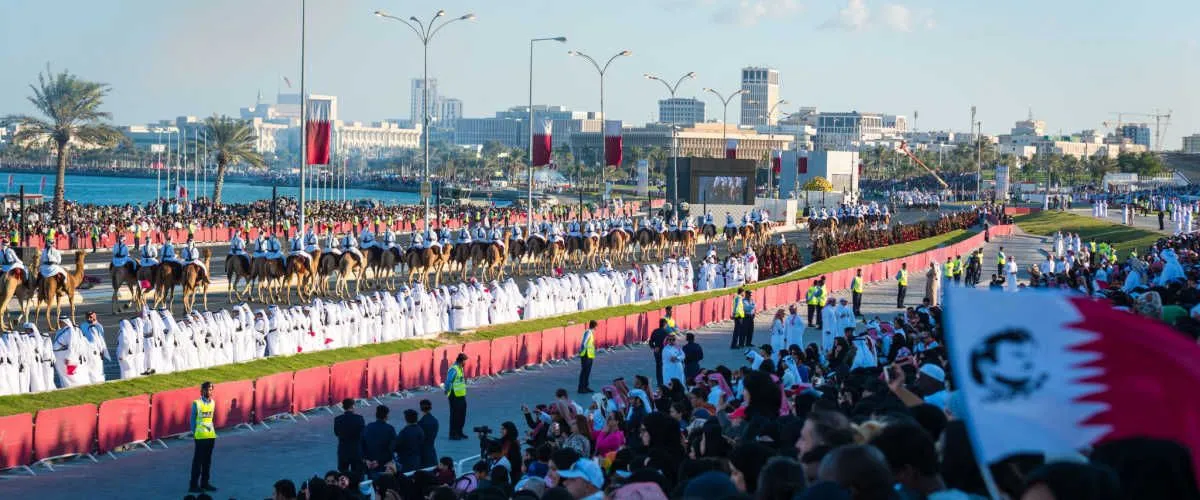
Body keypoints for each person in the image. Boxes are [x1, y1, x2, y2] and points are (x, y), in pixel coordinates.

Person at [189, 381, 218, 493]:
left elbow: (210, 419)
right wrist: (194, 433)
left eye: (211, 389)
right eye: (207, 389)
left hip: (210, 436)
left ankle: (205, 483)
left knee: (207, 461)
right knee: (198, 462)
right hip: (200, 437)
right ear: (202, 391)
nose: (209, 391)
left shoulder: (213, 403)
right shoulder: (196, 403)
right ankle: (193, 485)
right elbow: (192, 420)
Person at [333, 398, 365, 473]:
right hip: (356, 451)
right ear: (353, 406)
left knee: (343, 475)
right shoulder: (359, 418)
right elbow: (363, 434)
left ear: (343, 407)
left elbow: (336, 433)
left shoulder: (337, 419)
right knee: (357, 474)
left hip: (343, 451)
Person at [362, 405, 397, 473]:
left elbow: (362, 444)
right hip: (384, 464)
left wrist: (366, 459)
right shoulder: (390, 429)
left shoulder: (368, 427)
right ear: (386, 416)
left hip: (370, 464)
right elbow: (392, 448)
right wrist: (378, 461)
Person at [445, 353, 468, 440]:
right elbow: (448, 381)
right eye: (465, 361)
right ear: (461, 361)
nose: (465, 363)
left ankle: (459, 431)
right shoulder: (454, 369)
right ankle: (453, 434)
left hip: (461, 395)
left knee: (462, 414)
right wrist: (447, 390)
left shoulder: (460, 368)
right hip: (454, 395)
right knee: (455, 415)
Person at [395, 409, 425, 473]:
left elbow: (397, 445)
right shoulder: (420, 430)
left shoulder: (404, 431)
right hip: (417, 459)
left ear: (406, 419)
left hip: (405, 460)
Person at [418, 399, 439, 469]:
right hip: (431, 449)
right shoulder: (435, 421)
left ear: (421, 408)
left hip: (423, 451)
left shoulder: (421, 423)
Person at [648, 319, 669, 387]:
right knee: (665, 366)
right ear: (665, 324)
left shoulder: (655, 331)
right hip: (664, 352)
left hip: (657, 351)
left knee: (658, 367)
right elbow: (668, 344)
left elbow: (650, 341)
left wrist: (654, 347)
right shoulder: (666, 332)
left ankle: (659, 382)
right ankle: (664, 381)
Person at [578, 320, 597, 394]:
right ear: (594, 326)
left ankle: (585, 387)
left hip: (589, 355)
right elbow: (584, 343)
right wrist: (582, 350)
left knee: (587, 372)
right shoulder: (588, 332)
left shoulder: (590, 333)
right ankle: (581, 388)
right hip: (586, 355)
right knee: (584, 372)